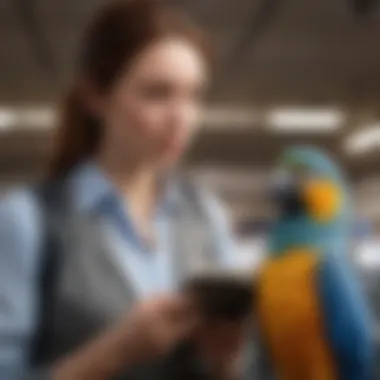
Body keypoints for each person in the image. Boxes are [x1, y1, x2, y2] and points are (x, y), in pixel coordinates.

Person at [0, 1, 253, 379]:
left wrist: (224, 360)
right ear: (95, 96)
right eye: (157, 94)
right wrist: (111, 353)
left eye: (194, 96)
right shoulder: (27, 221)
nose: (181, 118)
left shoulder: (208, 216)